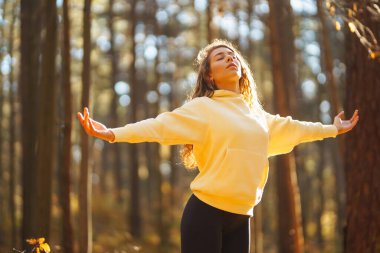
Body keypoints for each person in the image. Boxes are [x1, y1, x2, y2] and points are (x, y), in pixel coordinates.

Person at [77, 39, 359, 253]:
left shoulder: (257, 115)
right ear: (210, 76)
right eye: (221, 57)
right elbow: (159, 126)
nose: (230, 58)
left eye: (232, 55)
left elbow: (294, 128)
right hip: (205, 213)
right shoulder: (203, 108)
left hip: (242, 216)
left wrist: (333, 129)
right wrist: (113, 133)